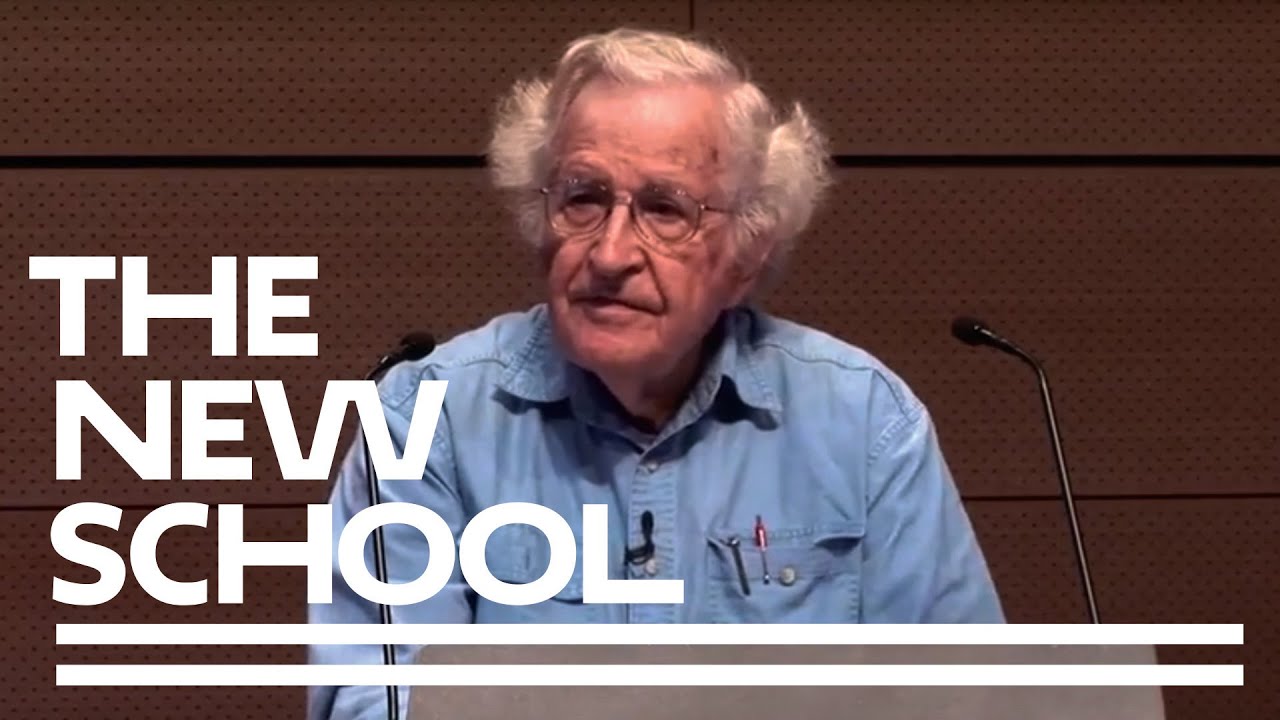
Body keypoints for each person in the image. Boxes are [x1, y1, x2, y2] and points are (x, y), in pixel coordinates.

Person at [309, 27, 1003, 719]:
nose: (610, 254)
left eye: (666, 210)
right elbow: (372, 701)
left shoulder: (865, 423)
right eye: (583, 198)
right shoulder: (423, 421)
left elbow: (966, 701)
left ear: (747, 255)